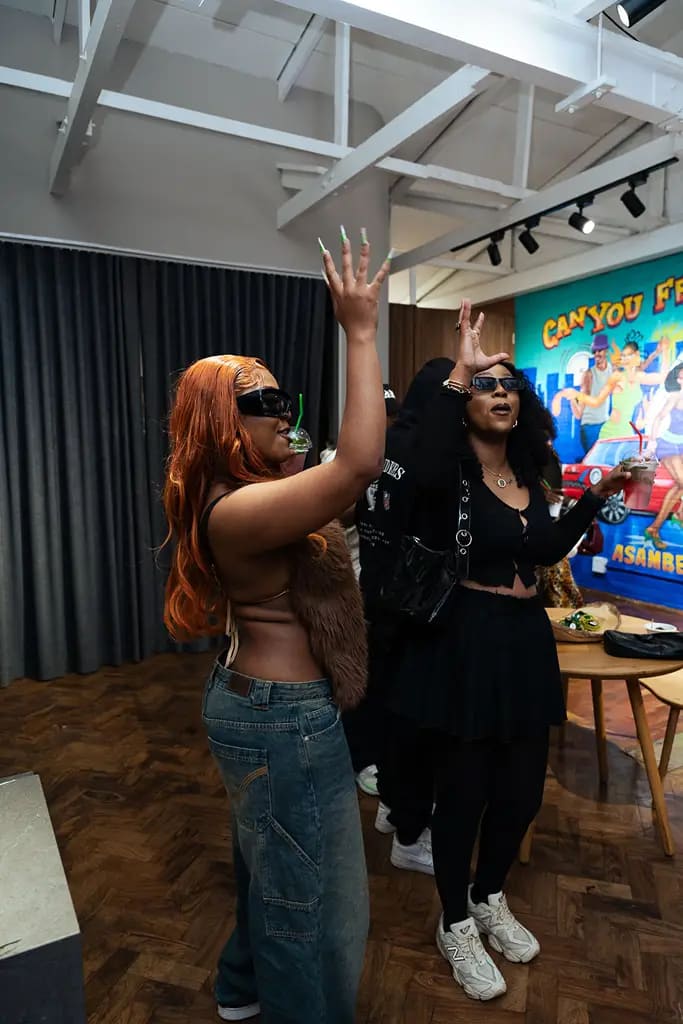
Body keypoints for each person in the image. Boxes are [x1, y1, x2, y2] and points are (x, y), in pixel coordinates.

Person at [162, 233, 390, 1024]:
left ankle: (240, 987)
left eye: (284, 398)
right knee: (316, 910)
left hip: (260, 709)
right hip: (282, 722)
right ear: (221, 421)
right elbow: (358, 466)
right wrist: (359, 330)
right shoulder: (237, 510)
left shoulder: (239, 493)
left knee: (271, 865)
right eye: (265, 403)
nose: (285, 412)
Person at [384, 301, 629, 1001]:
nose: (500, 394)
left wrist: (594, 497)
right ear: (464, 402)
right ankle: (454, 921)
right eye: (485, 386)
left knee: (521, 793)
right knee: (463, 794)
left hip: (523, 639)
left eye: (509, 385)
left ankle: (488, 895)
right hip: (465, 639)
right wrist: (458, 370)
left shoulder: (527, 471)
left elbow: (543, 550)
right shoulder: (445, 473)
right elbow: (417, 456)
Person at [554, 331, 669, 439]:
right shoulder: (616, 376)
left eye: (628, 355)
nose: (624, 358)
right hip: (610, 432)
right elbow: (596, 401)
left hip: (626, 431)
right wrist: (576, 394)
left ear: (636, 355)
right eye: (623, 356)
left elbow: (663, 377)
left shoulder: (638, 376)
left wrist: (664, 351)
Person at [644, 361, 683, 548]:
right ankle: (679, 514)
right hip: (668, 445)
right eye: (681, 376)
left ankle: (654, 528)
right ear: (679, 380)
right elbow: (659, 418)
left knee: (680, 486)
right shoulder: (675, 396)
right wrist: (651, 442)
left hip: (681, 446)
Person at [571, 334, 611, 454]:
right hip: (590, 427)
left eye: (600, 350)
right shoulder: (588, 375)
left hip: (605, 425)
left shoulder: (612, 370)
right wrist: (572, 399)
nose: (597, 354)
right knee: (594, 461)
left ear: (606, 351)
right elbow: (579, 414)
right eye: (595, 351)